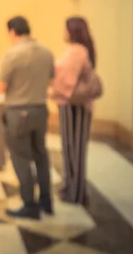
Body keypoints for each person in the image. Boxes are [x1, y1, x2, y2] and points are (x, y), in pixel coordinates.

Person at [0, 16, 54, 219]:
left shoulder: (12, 54)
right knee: (41, 156)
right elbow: (51, 78)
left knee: (20, 158)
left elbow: (0, 87)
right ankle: (47, 201)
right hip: (40, 109)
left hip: (17, 111)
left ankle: (30, 204)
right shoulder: (46, 52)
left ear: (12, 32)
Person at [50, 16, 96, 205]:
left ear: (72, 31)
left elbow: (67, 78)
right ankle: (71, 187)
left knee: (74, 149)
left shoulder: (77, 51)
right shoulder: (78, 50)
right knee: (70, 148)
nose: (63, 31)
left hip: (74, 105)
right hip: (71, 104)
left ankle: (75, 193)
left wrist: (52, 88)